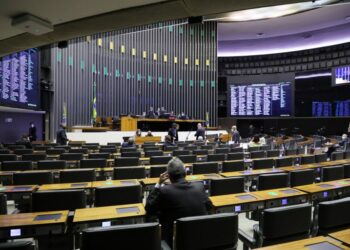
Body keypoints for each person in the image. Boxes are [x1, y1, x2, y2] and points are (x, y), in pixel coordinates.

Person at [145, 158, 213, 245]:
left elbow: (149, 207)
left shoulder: (164, 191)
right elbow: (209, 207)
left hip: (176, 242)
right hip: (201, 238)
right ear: (186, 173)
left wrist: (158, 184)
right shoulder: (199, 187)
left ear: (168, 176)